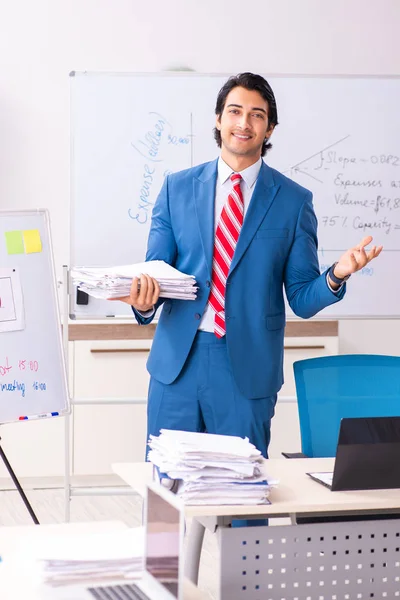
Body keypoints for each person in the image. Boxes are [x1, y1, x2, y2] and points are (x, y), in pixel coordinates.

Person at [116, 72, 382, 459]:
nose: (244, 123)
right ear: (218, 119)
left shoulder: (293, 201)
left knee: (242, 503)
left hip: (247, 369)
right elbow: (158, 272)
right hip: (177, 366)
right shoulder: (177, 188)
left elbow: (303, 299)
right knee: (166, 495)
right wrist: (143, 302)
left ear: (270, 128)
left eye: (257, 115)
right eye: (235, 111)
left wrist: (337, 275)